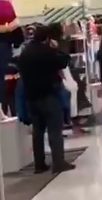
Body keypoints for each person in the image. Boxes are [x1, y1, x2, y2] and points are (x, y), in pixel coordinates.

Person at [18, 25, 75, 174]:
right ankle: (58, 163)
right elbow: (63, 61)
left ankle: (39, 164)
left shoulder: (25, 53)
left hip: (31, 97)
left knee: (38, 133)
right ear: (47, 38)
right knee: (55, 130)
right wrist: (56, 49)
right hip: (48, 95)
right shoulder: (47, 52)